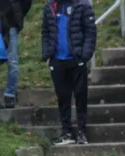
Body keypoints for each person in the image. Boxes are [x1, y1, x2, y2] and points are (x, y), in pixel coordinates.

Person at [41, 0, 97, 146]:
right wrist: (47, 54)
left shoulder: (82, 5)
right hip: (57, 61)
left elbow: (90, 31)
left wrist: (84, 56)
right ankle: (67, 132)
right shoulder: (49, 7)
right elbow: (45, 31)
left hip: (76, 60)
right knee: (63, 98)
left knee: (80, 96)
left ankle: (81, 132)